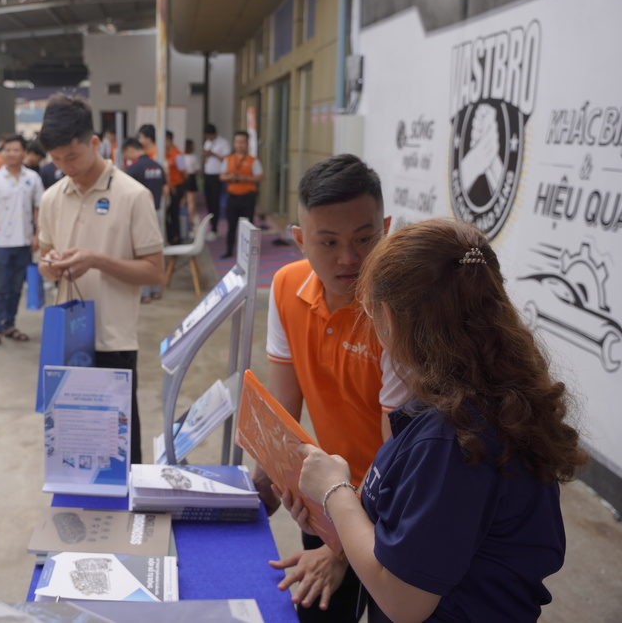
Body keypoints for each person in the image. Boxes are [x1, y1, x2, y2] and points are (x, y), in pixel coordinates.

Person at [291, 217, 587, 623]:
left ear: (388, 318)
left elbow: (405, 601)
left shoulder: (456, 439)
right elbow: (412, 519)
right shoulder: (472, 397)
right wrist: (335, 519)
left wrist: (335, 491)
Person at [260, 154, 406, 623]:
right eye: (328, 241)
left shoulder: (399, 313)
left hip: (393, 508)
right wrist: (267, 481)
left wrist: (342, 550)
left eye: (364, 239)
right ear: (300, 239)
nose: (348, 258)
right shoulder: (286, 287)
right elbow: (284, 407)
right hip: (325, 496)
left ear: (384, 228)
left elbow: (399, 458)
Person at [37, 95, 164, 465]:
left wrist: (96, 260)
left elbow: (154, 271)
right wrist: (52, 264)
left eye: (72, 157)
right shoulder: (51, 198)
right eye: (56, 160)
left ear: (95, 143)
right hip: (66, 336)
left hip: (113, 338)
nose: (65, 167)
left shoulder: (132, 196)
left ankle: (127, 517)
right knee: (73, 446)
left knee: (118, 450)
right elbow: (44, 255)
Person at [0, 135, 44, 350]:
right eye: (8, 150)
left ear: (24, 152)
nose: (12, 154)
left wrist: (37, 236)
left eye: (16, 150)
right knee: (0, 288)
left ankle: (10, 325)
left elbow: (38, 208)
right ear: (3, 152)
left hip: (24, 242)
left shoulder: (33, 178)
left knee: (17, 287)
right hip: (1, 243)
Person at [121, 138, 166, 303]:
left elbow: (124, 193)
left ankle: (144, 294)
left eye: (125, 154)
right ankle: (156, 290)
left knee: (142, 255)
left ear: (130, 150)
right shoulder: (157, 166)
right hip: (157, 211)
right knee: (155, 252)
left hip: (140, 215)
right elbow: (165, 189)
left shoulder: (133, 169)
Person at [219, 131, 263, 258]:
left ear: (247, 144)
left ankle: (249, 252)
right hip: (232, 197)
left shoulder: (253, 160)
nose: (240, 145)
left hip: (247, 197)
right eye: (237, 142)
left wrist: (244, 178)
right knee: (231, 225)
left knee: (249, 225)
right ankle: (229, 250)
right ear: (234, 143)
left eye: (243, 142)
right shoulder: (228, 159)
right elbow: (221, 176)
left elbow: (259, 177)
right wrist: (230, 177)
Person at [201, 123, 229, 241]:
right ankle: (212, 226)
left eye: (210, 136)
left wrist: (212, 154)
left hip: (217, 175)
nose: (208, 138)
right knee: (208, 201)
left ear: (215, 134)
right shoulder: (207, 142)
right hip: (208, 174)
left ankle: (215, 228)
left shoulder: (223, 143)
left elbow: (227, 159)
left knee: (215, 201)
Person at [163, 131, 187, 245]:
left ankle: (176, 236)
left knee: (174, 212)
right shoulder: (162, 153)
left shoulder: (177, 155)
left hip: (177, 187)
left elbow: (184, 173)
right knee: (166, 212)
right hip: (168, 187)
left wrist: (179, 187)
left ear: (169, 140)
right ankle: (172, 235)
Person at [183, 138, 200, 228]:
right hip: (191, 178)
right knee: (191, 201)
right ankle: (190, 219)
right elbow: (197, 170)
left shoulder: (181, 156)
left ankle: (183, 218)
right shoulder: (193, 157)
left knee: (182, 200)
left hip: (183, 178)